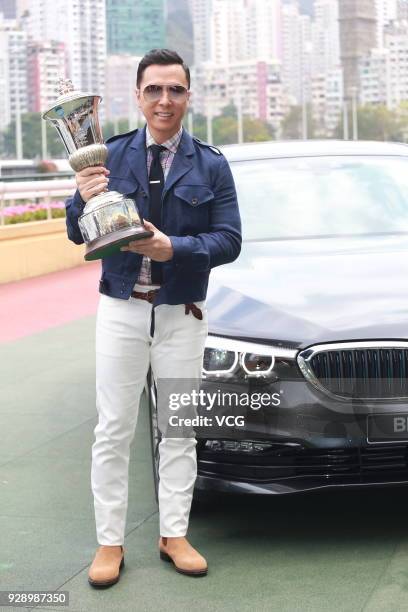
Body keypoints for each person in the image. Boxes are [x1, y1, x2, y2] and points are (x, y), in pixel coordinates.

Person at [65, 48, 242, 587]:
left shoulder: (210, 163)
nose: (165, 100)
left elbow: (230, 239)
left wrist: (177, 248)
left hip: (182, 314)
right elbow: (78, 232)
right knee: (114, 428)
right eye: (154, 90)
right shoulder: (107, 156)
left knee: (180, 430)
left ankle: (174, 534)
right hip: (121, 309)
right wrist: (80, 197)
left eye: (175, 90)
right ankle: (109, 543)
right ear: (139, 97)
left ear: (188, 96)